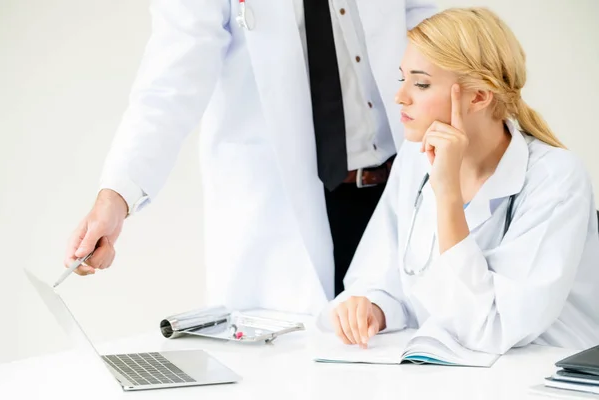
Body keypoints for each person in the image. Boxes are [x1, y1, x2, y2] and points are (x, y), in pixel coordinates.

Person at [62, 1, 438, 315]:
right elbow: (170, 82)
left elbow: (427, 21)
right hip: (284, 208)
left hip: (399, 185)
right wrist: (117, 195)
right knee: (298, 373)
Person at [328, 7, 599, 354]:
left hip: (541, 374)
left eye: (421, 83)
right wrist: (373, 307)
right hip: (452, 373)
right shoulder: (414, 158)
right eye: (402, 79)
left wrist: (448, 196)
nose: (400, 96)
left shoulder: (556, 179)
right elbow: (383, 277)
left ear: (479, 96)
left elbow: (493, 327)